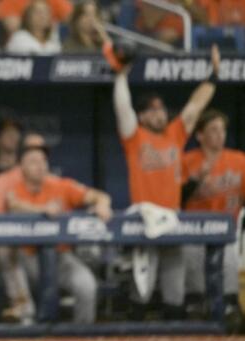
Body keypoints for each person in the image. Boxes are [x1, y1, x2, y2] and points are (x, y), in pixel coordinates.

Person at [111, 45, 220, 318]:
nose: (160, 114)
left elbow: (196, 106)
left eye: (161, 109)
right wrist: (121, 75)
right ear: (143, 116)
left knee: (175, 295)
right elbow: (123, 108)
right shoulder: (134, 136)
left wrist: (213, 76)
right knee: (142, 292)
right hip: (143, 222)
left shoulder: (174, 134)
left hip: (172, 219)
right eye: (153, 110)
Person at [0, 144, 112, 325]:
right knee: (4, 250)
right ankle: (26, 317)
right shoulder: (14, 189)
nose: (40, 165)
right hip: (28, 260)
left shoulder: (61, 185)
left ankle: (82, 334)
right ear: (21, 166)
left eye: (43, 160)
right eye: (33, 161)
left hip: (61, 257)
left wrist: (103, 204)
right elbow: (15, 207)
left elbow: (99, 196)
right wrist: (42, 210)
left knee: (86, 286)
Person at [181, 109, 245, 319]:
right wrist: (195, 182)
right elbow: (175, 199)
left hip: (228, 229)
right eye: (213, 130)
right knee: (192, 258)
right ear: (200, 136)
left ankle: (229, 306)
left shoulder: (239, 160)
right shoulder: (187, 161)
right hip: (194, 229)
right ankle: (195, 304)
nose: (220, 134)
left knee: (229, 260)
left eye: (223, 130)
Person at [0, 0, 72, 34]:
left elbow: (74, 20)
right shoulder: (10, 1)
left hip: (50, 41)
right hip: (22, 48)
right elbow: (13, 28)